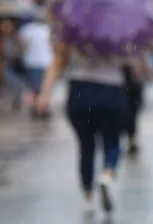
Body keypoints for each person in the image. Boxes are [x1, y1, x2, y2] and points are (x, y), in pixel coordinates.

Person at [36, 43, 128, 215]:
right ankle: (107, 175)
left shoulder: (73, 27)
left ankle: (87, 197)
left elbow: (58, 61)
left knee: (86, 146)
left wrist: (45, 93)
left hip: (79, 91)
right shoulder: (117, 29)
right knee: (112, 142)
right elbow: (132, 60)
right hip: (111, 89)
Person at [18, 13, 53, 118]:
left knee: (34, 87)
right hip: (47, 61)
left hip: (32, 62)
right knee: (45, 86)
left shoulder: (26, 30)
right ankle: (43, 108)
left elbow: (22, 46)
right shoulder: (47, 29)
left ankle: (36, 108)